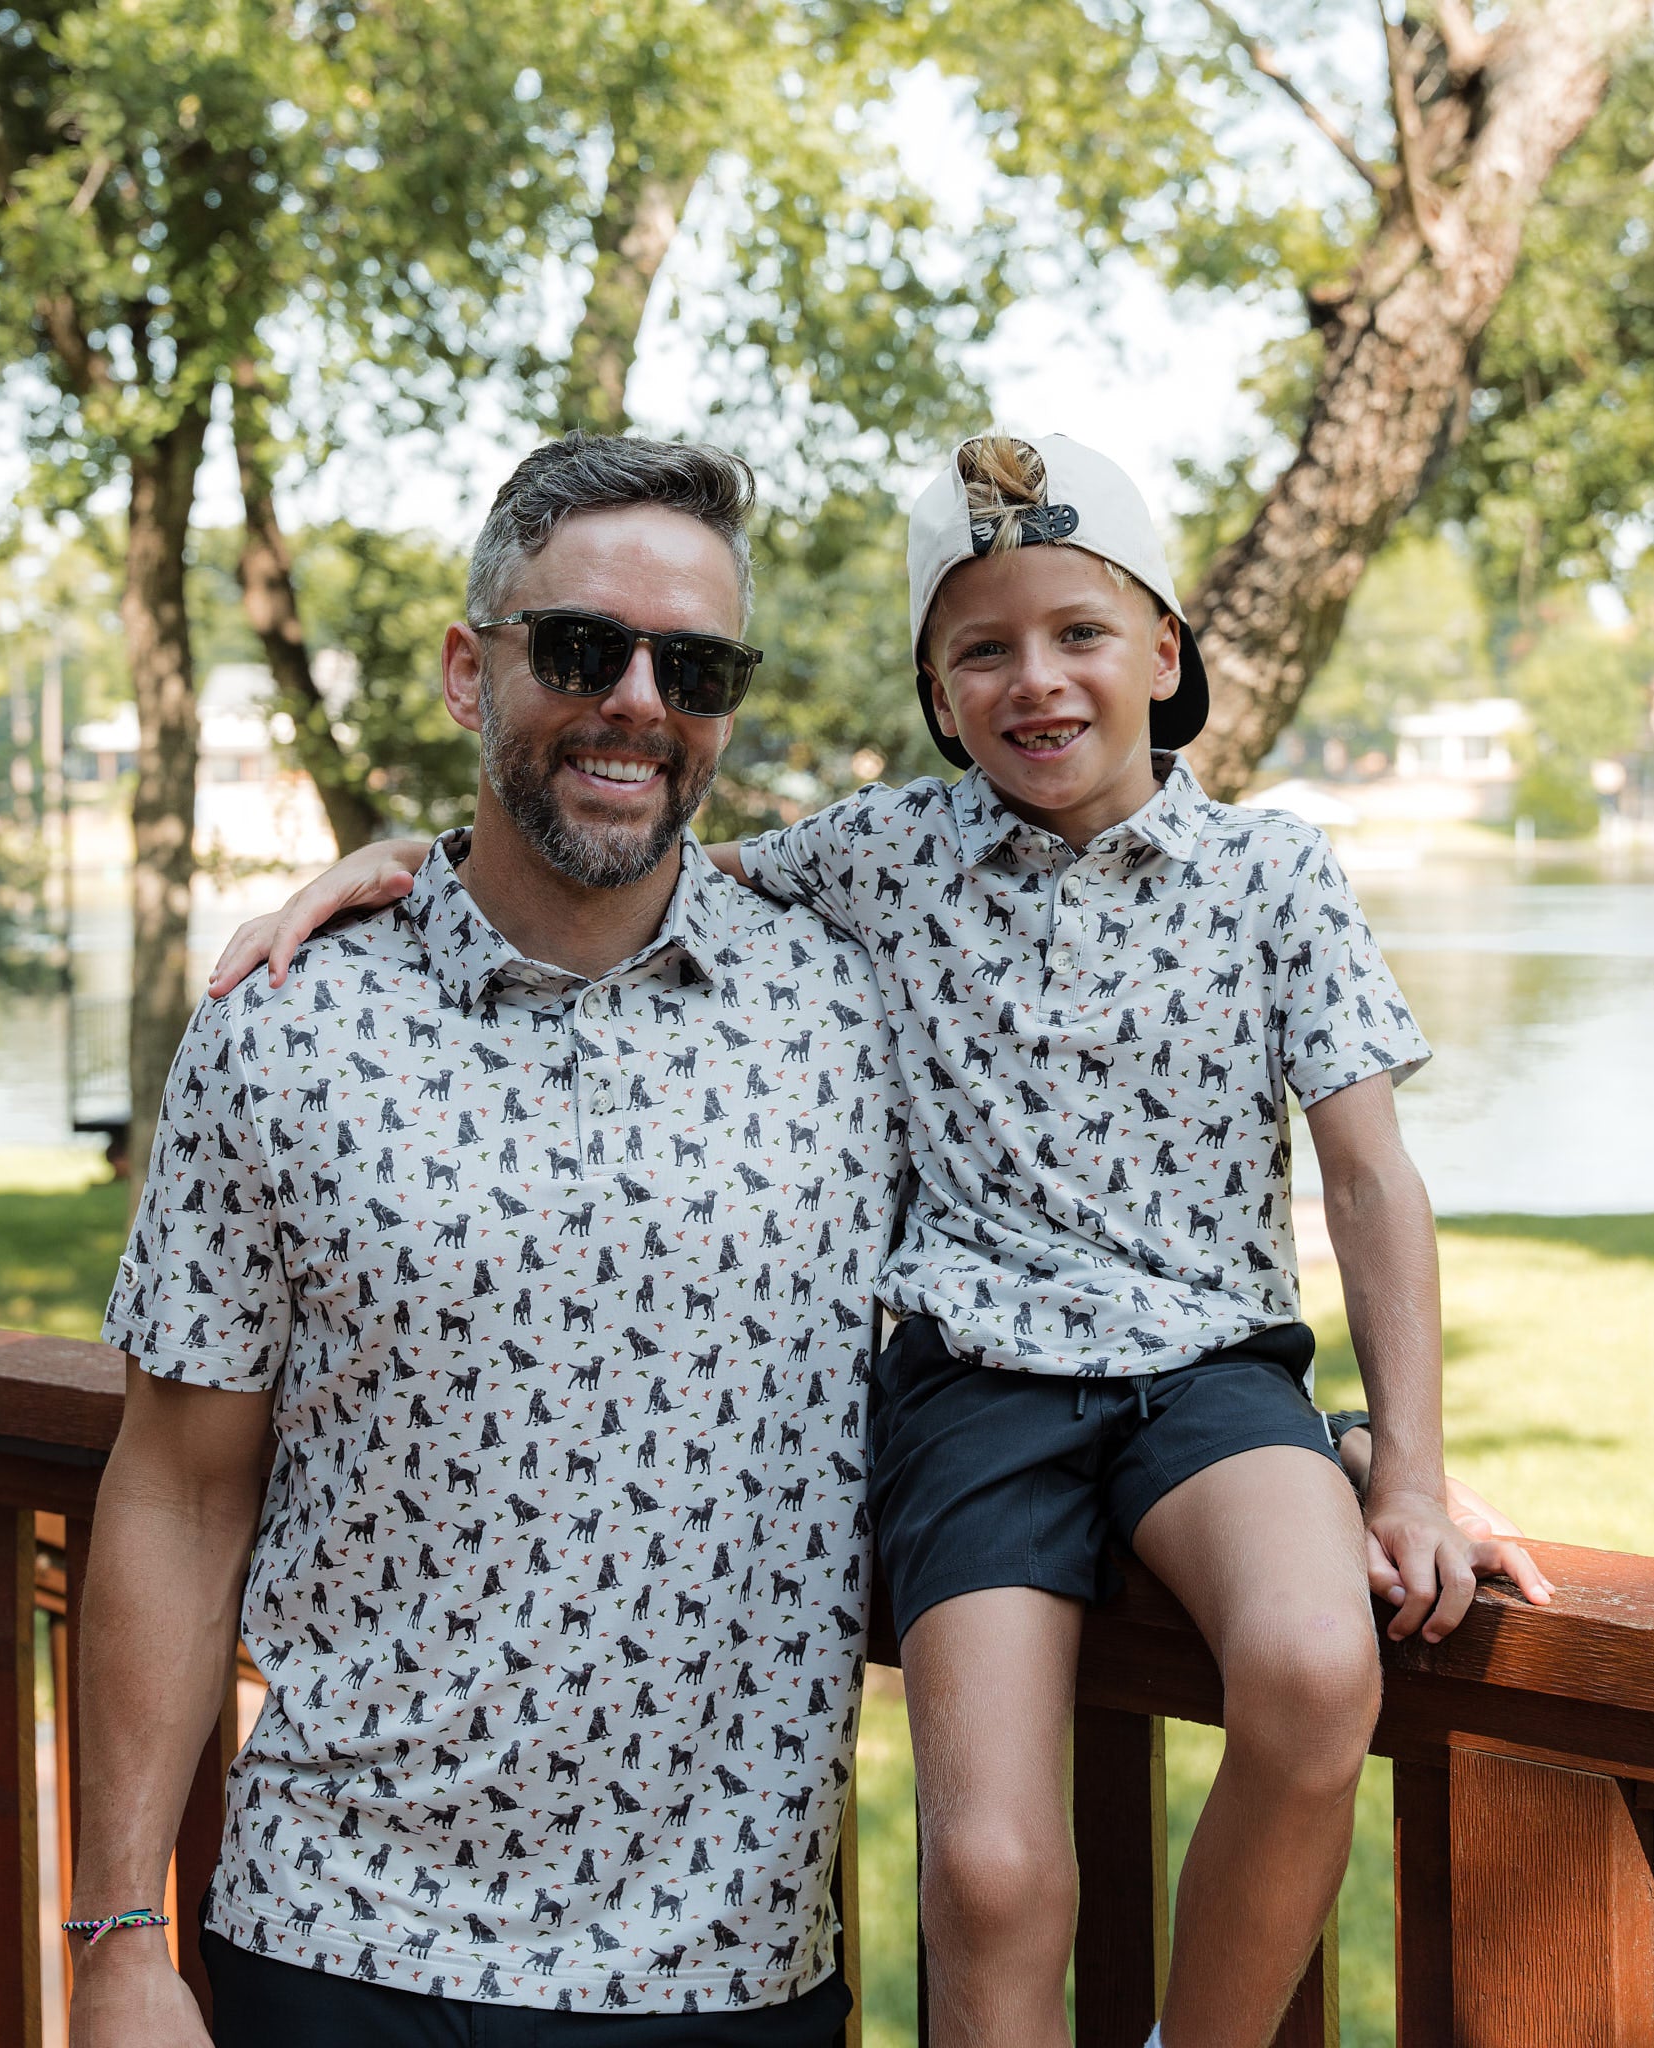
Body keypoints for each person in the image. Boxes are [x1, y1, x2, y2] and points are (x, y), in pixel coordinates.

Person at [210, 433, 1549, 2048]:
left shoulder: (1275, 874)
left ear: (1165, 651)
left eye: (1081, 632)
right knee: (990, 1866)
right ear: (936, 693)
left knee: (1320, 1670)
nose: (1034, 680)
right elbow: (629, 861)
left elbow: (1371, 1184)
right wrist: (402, 869)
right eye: (981, 650)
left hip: (1214, 1377)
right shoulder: (882, 854)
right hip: (974, 1395)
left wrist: (1404, 1472)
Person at [68, 432, 913, 2048]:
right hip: (338, 1947)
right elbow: (176, 1490)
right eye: (584, 649)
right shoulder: (284, 1027)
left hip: (729, 1973)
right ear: (472, 671)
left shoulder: (848, 1010)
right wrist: (115, 1935)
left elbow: (1070, 1257)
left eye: (697, 667)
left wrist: (1310, 1456)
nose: (641, 704)